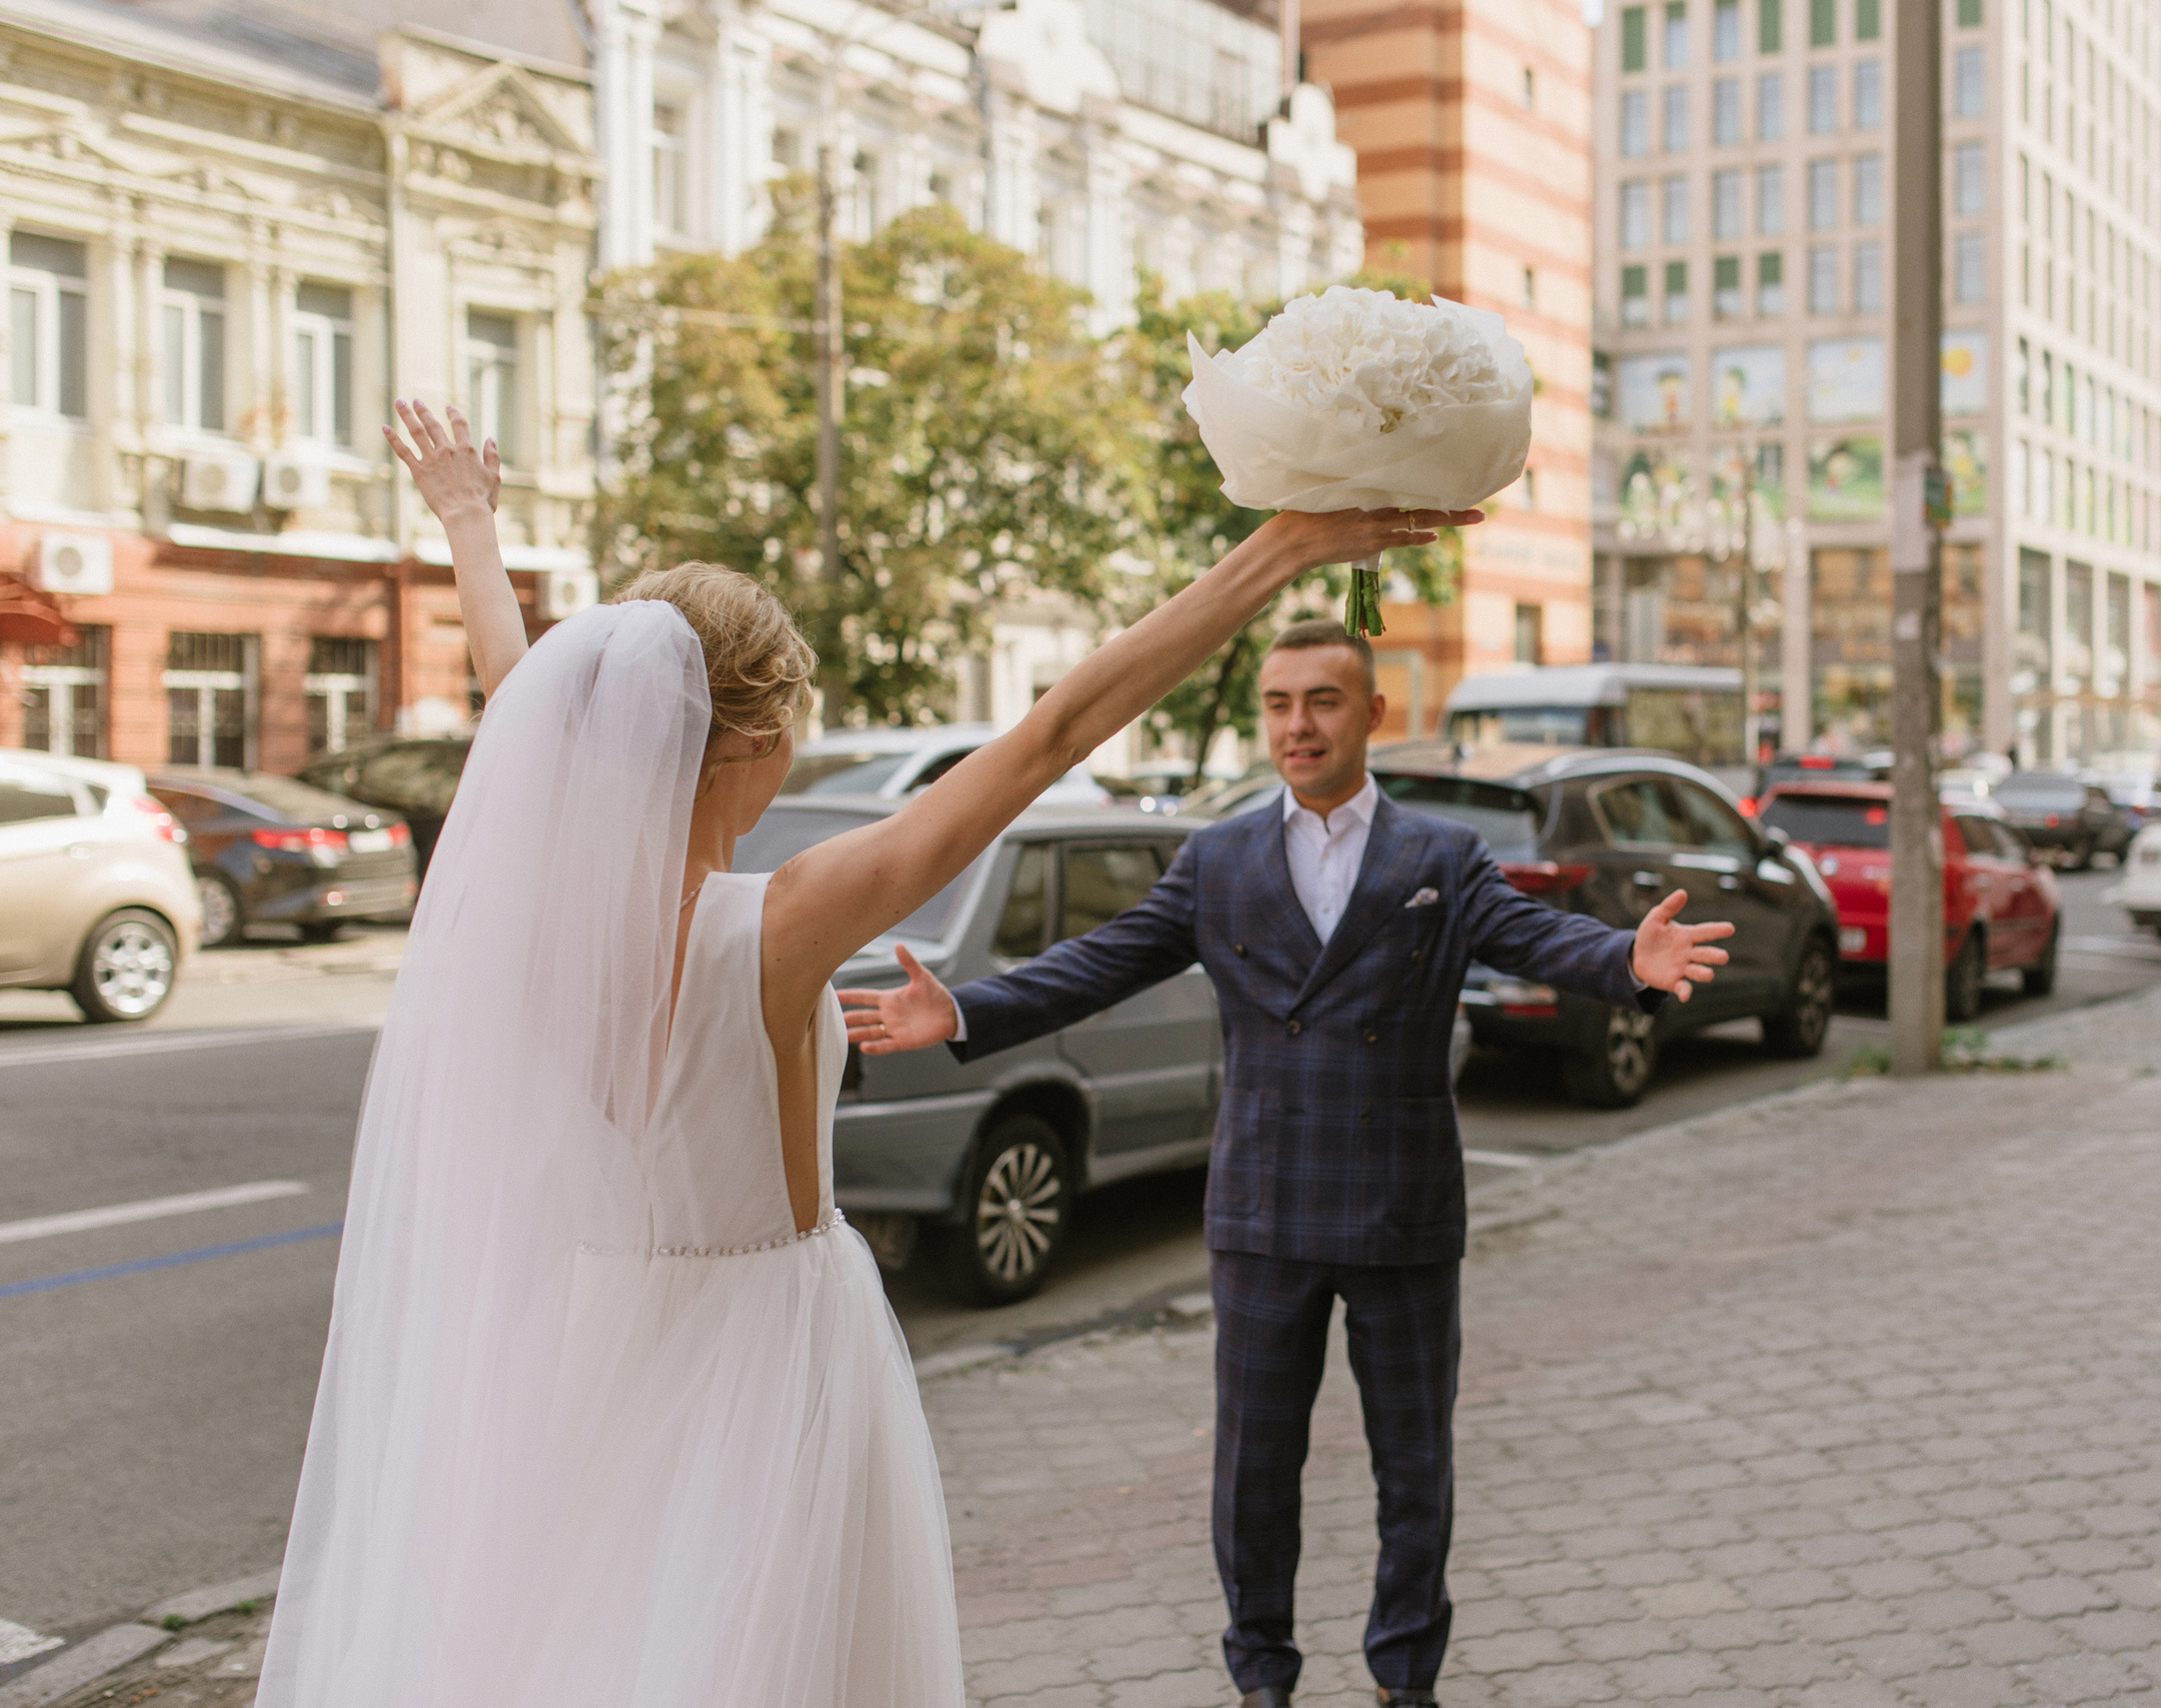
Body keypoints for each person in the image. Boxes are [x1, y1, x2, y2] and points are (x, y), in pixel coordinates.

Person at [255, 402, 1478, 1707]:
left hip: (597, 1356)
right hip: (766, 1359)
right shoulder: (771, 926)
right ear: (752, 741)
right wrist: (1273, 554)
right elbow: (1054, 736)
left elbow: (528, 713)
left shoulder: (550, 919)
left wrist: (468, 524)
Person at [847, 619, 1736, 1708]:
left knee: (1413, 1468)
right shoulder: (1217, 859)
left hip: (1402, 1208)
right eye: (1277, 702)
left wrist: (1623, 960)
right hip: (1264, 1208)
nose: (1295, 723)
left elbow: (1532, 936)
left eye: (1320, 700)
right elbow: (1103, 959)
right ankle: (1260, 1675)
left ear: (1371, 713)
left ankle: (1405, 1679)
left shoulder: (1439, 856)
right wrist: (964, 1007)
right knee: (1253, 1473)